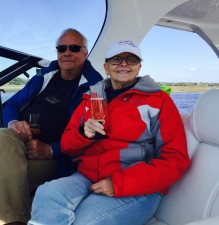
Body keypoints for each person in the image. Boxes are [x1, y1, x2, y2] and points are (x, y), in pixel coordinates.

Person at [28, 40, 191, 225]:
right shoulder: (91, 98)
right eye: (116, 60)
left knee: (84, 221)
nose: (123, 64)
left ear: (139, 67)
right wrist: (83, 134)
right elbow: (66, 145)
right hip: (86, 177)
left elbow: (175, 160)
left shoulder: (159, 101)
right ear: (106, 67)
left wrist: (119, 184)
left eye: (131, 60)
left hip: (136, 187)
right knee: (46, 194)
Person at [0, 28, 103, 225]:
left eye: (74, 48)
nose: (67, 53)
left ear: (85, 53)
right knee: (2, 135)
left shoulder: (95, 87)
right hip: (22, 142)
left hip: (57, 157)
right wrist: (15, 123)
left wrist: (51, 149)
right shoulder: (44, 76)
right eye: (61, 48)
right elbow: (11, 105)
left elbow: (91, 134)